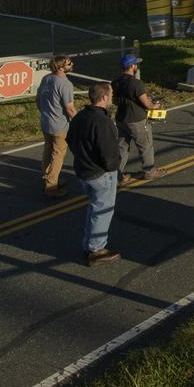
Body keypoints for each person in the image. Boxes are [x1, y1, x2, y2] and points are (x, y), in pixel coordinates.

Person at [68, 82, 121, 265]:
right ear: (104, 97)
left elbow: (70, 139)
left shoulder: (80, 116)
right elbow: (108, 154)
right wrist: (113, 167)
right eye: (111, 94)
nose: (112, 97)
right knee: (103, 210)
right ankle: (96, 249)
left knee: (94, 207)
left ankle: (89, 243)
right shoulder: (101, 122)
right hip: (100, 174)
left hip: (83, 170)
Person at [112, 54, 164, 184]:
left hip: (121, 119)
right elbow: (147, 104)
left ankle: (117, 175)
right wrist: (155, 105)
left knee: (122, 148)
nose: (137, 66)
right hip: (136, 120)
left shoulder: (115, 82)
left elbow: (115, 101)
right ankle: (149, 171)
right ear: (132, 66)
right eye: (136, 64)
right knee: (145, 146)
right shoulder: (136, 83)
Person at [35, 55, 77, 198]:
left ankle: (48, 177)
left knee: (48, 150)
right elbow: (70, 108)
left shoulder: (46, 79)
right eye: (69, 63)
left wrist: (45, 113)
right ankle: (51, 186)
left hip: (46, 122)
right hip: (59, 126)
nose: (72, 64)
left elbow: (38, 99)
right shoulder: (65, 84)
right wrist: (79, 121)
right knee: (58, 155)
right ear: (61, 67)